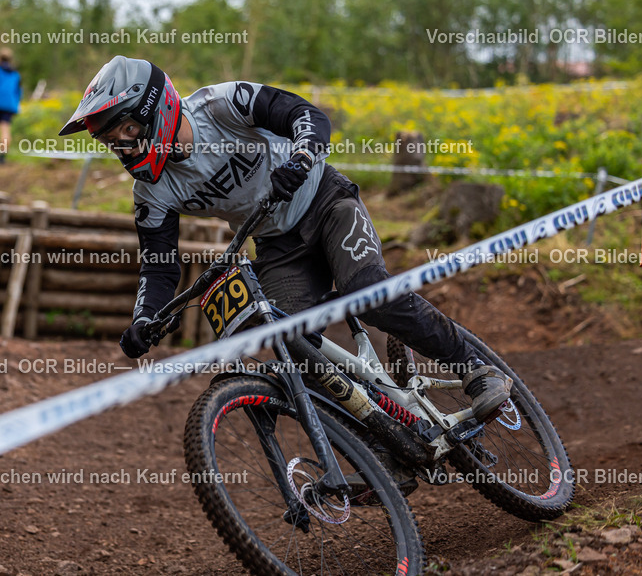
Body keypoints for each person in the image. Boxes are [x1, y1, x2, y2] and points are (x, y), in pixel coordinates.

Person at [58, 56, 512, 423]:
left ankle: (476, 368)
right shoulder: (151, 192)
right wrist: (145, 317)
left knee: (366, 293)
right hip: (278, 246)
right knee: (292, 350)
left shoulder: (222, 105)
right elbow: (159, 266)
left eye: (127, 131)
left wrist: (300, 157)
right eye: (112, 141)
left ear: (155, 110)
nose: (124, 147)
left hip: (325, 202)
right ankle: (383, 443)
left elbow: (306, 115)